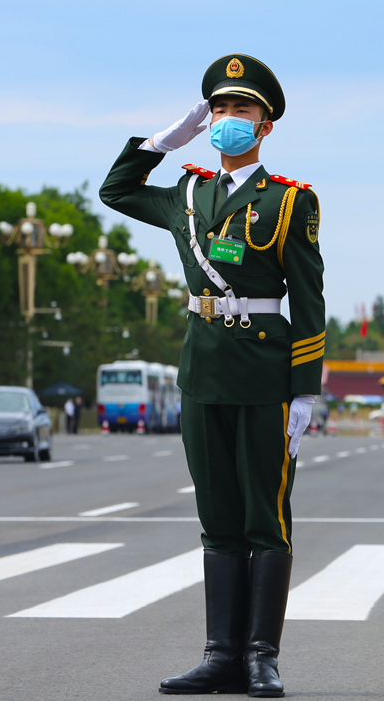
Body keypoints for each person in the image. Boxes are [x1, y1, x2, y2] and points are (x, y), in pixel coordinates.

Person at [100, 54, 323, 698]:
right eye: (220, 110)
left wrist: (304, 386)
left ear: (266, 125)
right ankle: (219, 654)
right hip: (203, 370)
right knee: (217, 516)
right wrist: (165, 142)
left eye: (241, 111)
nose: (229, 120)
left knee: (266, 520)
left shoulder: (288, 202)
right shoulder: (188, 193)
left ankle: (260, 658)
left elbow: (308, 298)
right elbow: (116, 191)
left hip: (264, 371)